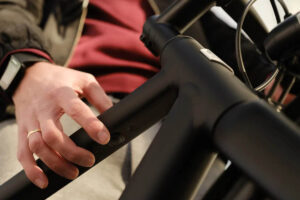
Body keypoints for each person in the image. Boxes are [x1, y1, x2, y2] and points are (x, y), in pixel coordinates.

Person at [0, 0, 275, 199]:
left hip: (188, 131)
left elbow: (254, 59)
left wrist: (279, 72)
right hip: (70, 119)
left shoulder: (179, 5)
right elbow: (9, 10)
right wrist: (26, 69)